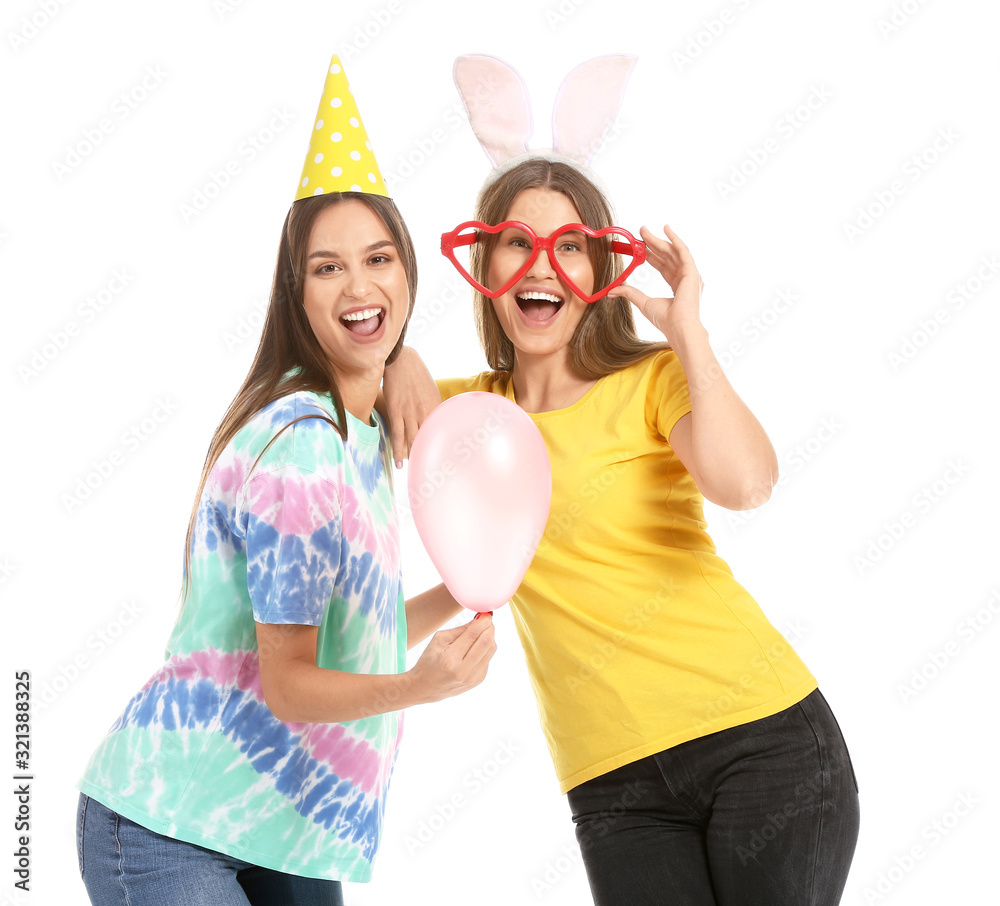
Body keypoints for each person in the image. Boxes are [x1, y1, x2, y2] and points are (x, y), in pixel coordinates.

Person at [381, 54, 859, 906]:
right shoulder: (466, 417)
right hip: (613, 786)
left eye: (569, 247)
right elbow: (344, 380)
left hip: (762, 742)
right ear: (486, 270)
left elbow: (747, 483)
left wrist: (690, 335)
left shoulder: (653, 381)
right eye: (517, 246)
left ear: (599, 273)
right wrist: (402, 354)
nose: (540, 268)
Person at [75, 55, 495, 906]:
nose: (359, 285)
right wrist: (422, 687)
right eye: (327, 267)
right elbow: (291, 680)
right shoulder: (301, 448)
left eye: (378, 258)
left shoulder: (363, 435)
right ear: (296, 295)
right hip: (172, 820)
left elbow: (357, 635)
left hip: (281, 825)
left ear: (409, 273)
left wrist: (468, 588)